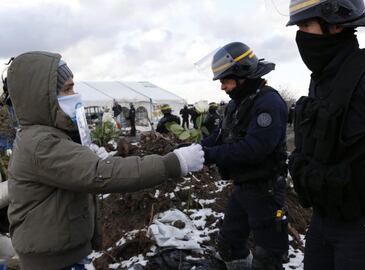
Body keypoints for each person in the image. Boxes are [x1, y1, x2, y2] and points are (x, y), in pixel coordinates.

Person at [5, 51, 205, 270]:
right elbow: (100, 174)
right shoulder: (42, 143)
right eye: (68, 89)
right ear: (43, 98)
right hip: (52, 261)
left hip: (60, 251)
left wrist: (87, 153)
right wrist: (173, 163)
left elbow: (80, 169)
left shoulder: (46, 136)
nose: (76, 94)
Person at [286, 1, 365, 270]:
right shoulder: (321, 79)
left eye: (306, 25)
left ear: (335, 25)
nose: (301, 36)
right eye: (298, 27)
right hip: (322, 221)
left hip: (363, 227)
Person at [201, 42, 289, 270]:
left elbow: (254, 148)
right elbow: (221, 136)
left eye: (225, 80)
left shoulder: (268, 102)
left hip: (265, 189)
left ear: (243, 74)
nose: (222, 87)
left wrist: (210, 155)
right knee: (229, 244)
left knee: (267, 256)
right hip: (243, 188)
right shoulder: (237, 103)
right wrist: (195, 150)